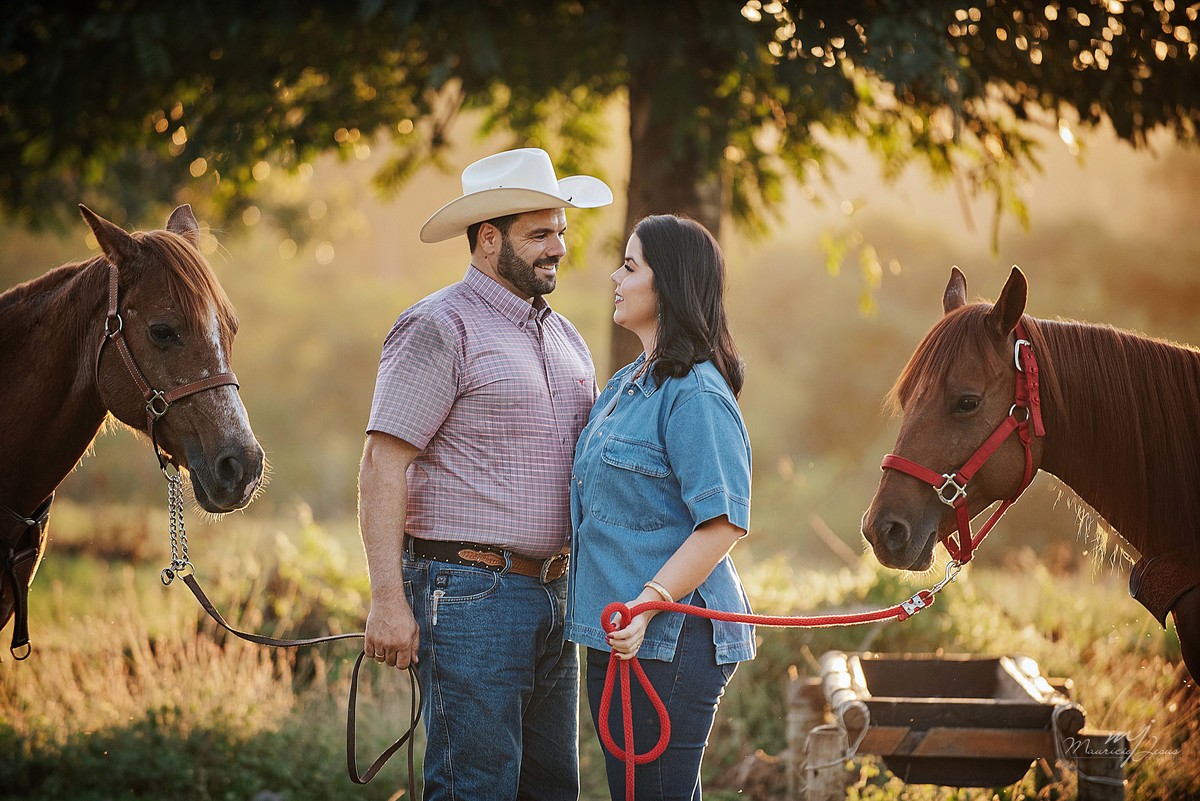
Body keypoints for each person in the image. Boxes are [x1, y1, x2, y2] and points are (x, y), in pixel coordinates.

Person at [358, 147, 612, 800]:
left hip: (556, 595)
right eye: (539, 234)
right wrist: (387, 598)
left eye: (560, 230)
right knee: (476, 788)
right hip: (470, 596)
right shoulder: (438, 326)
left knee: (552, 789)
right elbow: (383, 462)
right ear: (489, 238)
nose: (558, 247)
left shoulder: (568, 339)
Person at [565, 214, 756, 800]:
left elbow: (722, 523)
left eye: (629, 266)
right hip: (619, 632)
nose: (615, 278)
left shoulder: (697, 394)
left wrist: (647, 605)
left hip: (671, 637)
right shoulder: (627, 384)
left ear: (667, 284)